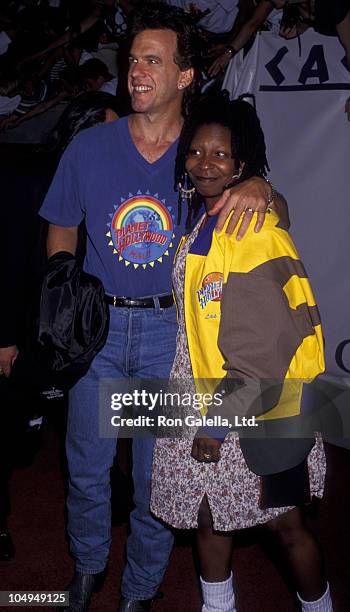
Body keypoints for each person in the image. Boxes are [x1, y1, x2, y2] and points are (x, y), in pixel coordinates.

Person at [38, 4, 286, 611]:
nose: (136, 72)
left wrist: (260, 186)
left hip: (166, 335)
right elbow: (62, 225)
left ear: (185, 76)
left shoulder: (205, 151)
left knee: (155, 481)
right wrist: (64, 286)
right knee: (88, 468)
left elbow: (264, 197)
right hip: (98, 334)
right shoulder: (91, 146)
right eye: (131, 60)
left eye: (153, 60)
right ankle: (88, 567)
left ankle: (140, 590)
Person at [150, 94, 333, 612]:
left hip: (258, 400)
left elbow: (264, 346)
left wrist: (216, 424)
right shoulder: (207, 221)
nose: (205, 163)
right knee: (209, 515)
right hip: (203, 391)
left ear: (243, 163)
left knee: (285, 521)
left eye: (221, 155)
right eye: (196, 152)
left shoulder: (250, 230)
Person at [0, 90, 119, 563]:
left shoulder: (111, 182)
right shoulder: (28, 179)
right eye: (104, 132)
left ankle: (113, 494)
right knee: (13, 438)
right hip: (30, 332)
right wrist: (5, 337)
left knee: (96, 426)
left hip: (84, 335)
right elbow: (7, 260)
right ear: (77, 131)